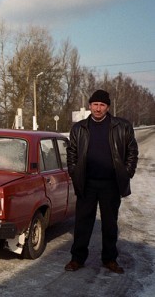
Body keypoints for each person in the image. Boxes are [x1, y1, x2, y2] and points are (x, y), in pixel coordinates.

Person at [65, 89, 138, 274]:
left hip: (111, 184)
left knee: (110, 224)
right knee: (82, 223)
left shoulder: (122, 126)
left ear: (108, 107)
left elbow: (132, 151)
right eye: (95, 104)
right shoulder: (79, 128)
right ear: (90, 105)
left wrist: (127, 172)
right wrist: (74, 173)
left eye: (102, 105)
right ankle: (77, 259)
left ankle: (109, 259)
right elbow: (72, 153)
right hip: (87, 183)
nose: (98, 108)